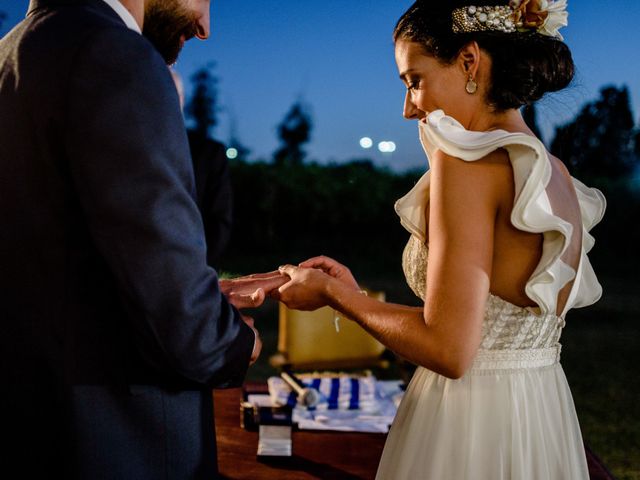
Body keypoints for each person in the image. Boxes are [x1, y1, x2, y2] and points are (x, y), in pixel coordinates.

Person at [275, 1, 606, 478]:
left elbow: (449, 349)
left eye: (415, 80)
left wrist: (332, 294)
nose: (409, 107)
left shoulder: (467, 165)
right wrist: (356, 294)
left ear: (470, 61)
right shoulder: (554, 173)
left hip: (469, 423)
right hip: (539, 412)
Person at [0, 0, 283, 478]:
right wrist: (235, 340)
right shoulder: (115, 53)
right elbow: (179, 308)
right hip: (115, 438)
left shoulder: (13, 50)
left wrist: (192, 291)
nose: (205, 25)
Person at [171, 68, 234, 269]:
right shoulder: (129, 148)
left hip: (194, 267)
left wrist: (198, 269)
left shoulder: (209, 152)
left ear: (181, 99)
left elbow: (219, 220)